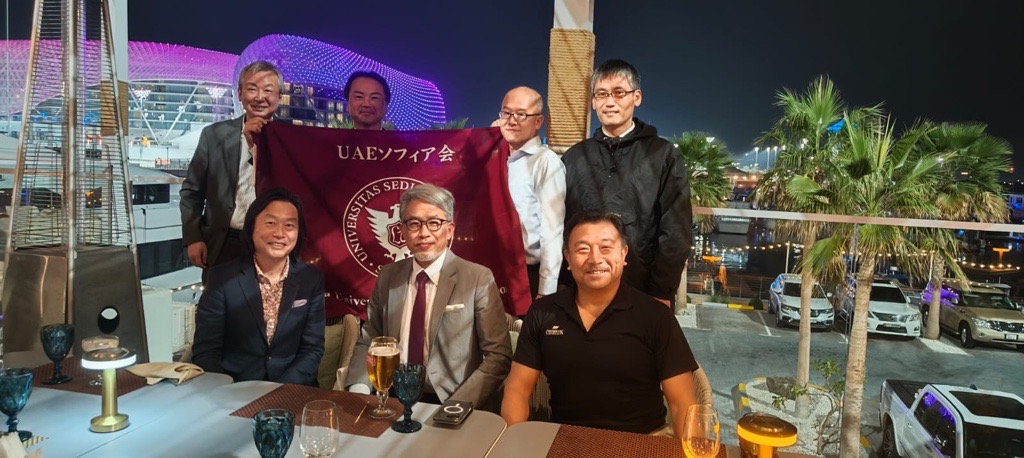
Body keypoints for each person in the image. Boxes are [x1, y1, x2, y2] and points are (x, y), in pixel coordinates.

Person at [501, 210, 699, 433]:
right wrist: (512, 441)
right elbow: (517, 389)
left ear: (623, 254)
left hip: (643, 439)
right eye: (583, 249)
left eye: (606, 248)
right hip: (564, 437)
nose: (595, 259)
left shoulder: (655, 316)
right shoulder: (543, 312)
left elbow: (683, 405)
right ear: (568, 258)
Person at [347, 184, 512, 406]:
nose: (424, 233)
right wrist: (359, 391)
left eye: (434, 223)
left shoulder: (477, 278)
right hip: (392, 394)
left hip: (450, 399)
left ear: (450, 229)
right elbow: (369, 339)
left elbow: (498, 356)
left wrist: (457, 405)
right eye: (414, 224)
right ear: (402, 230)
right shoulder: (388, 276)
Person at [561, 59, 693, 306]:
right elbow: (562, 225)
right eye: (601, 94)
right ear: (593, 101)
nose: (609, 102)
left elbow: (676, 230)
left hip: (643, 289)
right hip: (581, 288)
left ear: (636, 97)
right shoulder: (575, 157)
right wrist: (562, 283)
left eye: (619, 93)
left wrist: (661, 291)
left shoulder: (662, 154)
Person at [191, 188, 325, 386]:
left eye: (289, 225)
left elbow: (312, 349)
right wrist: (225, 391)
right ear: (251, 227)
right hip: (234, 390)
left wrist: (278, 392)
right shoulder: (222, 278)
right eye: (271, 223)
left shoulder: (310, 279)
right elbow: (206, 351)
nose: (280, 233)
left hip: (292, 390)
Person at [180, 60, 282, 281]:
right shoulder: (214, 136)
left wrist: (257, 146)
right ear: (240, 94)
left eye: (268, 91)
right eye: (252, 89)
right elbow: (192, 192)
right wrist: (193, 237)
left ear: (279, 97)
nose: (260, 97)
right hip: (223, 244)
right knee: (218, 302)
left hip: (273, 246)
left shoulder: (291, 140)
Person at [497, 86, 565, 300]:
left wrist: (546, 290)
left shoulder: (546, 162)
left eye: (521, 114)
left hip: (527, 275)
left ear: (538, 122)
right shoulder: (495, 159)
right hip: (493, 269)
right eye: (506, 113)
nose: (511, 121)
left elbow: (552, 230)